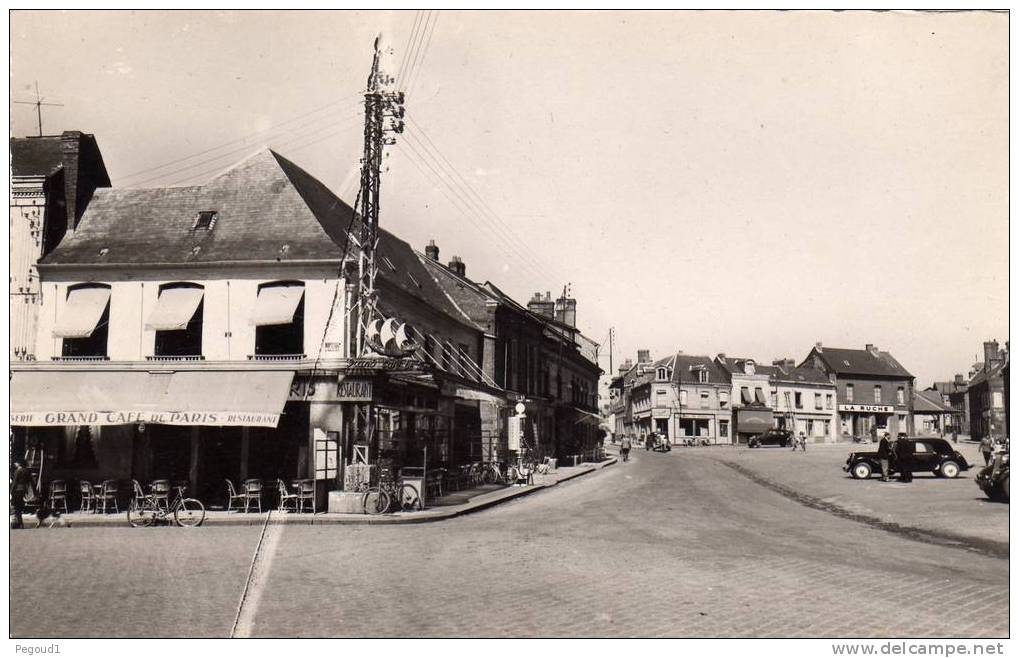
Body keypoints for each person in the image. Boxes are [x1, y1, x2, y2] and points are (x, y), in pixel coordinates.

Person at [10, 461, 29, 529]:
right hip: (23, 490)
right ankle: (20, 523)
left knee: (14, 506)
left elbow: (15, 482)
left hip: (17, 490)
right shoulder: (27, 471)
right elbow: (30, 482)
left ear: (19, 464)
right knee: (19, 507)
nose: (15, 464)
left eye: (16, 463)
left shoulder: (18, 471)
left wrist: (11, 491)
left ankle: (16, 523)